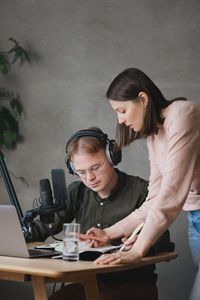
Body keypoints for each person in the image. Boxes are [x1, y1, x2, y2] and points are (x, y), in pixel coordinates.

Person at [85, 68, 200, 300]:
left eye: (122, 110)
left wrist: (139, 250)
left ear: (143, 99)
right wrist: (107, 234)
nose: (120, 119)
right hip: (195, 219)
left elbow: (171, 194)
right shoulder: (154, 136)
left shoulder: (183, 114)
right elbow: (154, 200)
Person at [30, 127, 174, 300]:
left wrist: (139, 247)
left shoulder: (143, 191)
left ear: (112, 158)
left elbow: (164, 243)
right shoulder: (76, 192)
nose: (89, 178)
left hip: (132, 284)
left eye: (95, 167)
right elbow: (42, 227)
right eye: (81, 172)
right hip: (87, 282)